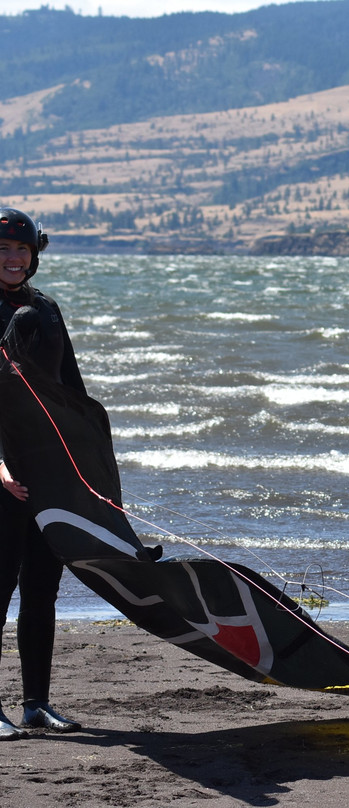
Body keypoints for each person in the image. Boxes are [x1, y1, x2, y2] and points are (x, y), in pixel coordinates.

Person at [0, 208, 84, 738]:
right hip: (3, 473)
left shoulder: (47, 310)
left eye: (21, 251)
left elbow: (71, 393)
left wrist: (86, 469)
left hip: (47, 472)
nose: (12, 260)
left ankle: (36, 704)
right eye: (3, 251)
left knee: (41, 589)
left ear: (34, 256)